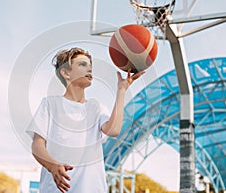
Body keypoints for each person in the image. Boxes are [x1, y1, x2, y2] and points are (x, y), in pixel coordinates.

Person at [26, 47, 144, 192]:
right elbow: (37, 146)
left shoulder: (96, 108)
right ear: (66, 73)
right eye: (82, 65)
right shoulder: (50, 104)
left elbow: (113, 130)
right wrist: (53, 166)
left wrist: (122, 90)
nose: (89, 69)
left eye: (90, 65)